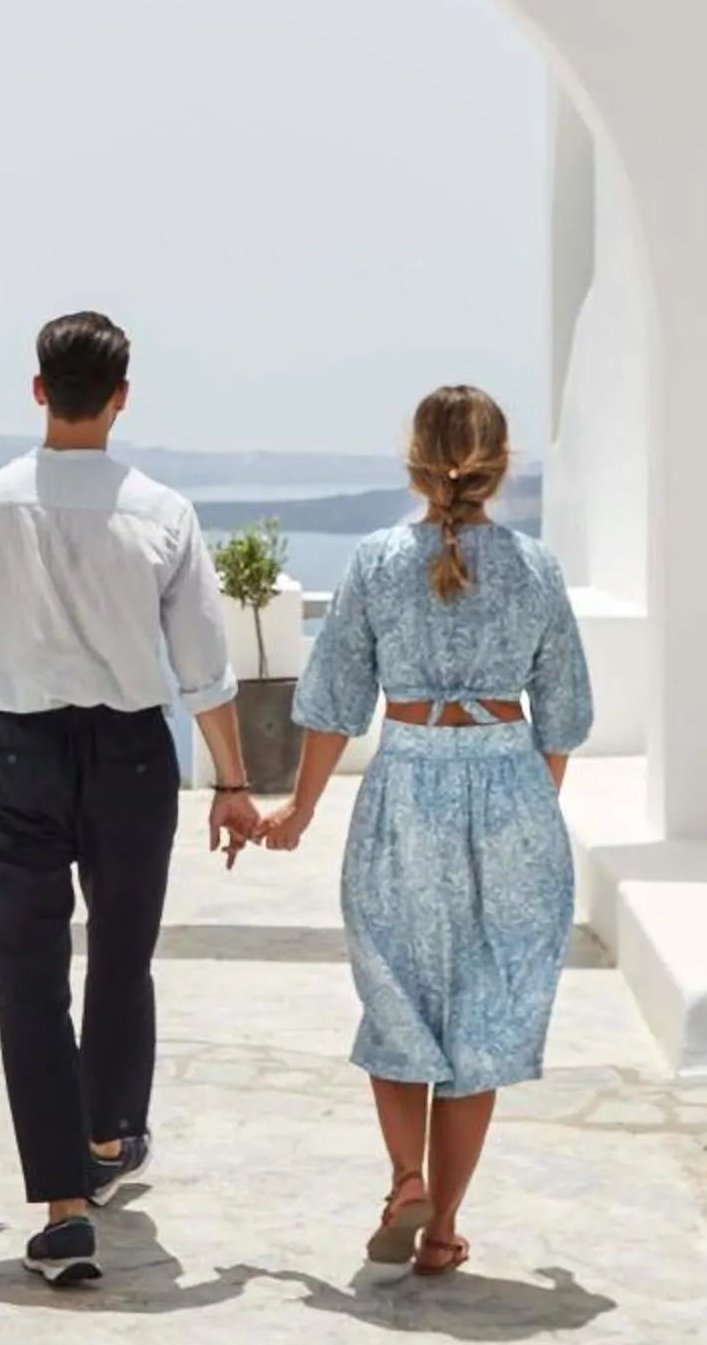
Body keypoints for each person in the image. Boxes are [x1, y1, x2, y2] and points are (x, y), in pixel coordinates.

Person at [0, 312, 260, 1287]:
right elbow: (205, 670)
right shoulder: (160, 511)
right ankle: (109, 1143)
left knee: (25, 975)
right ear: (119, 396)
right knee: (121, 952)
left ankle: (64, 1208)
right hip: (129, 757)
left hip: (15, 749)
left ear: (37, 391)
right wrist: (232, 785)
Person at [246, 384, 592, 1277]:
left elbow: (330, 706)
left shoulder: (373, 562)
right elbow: (563, 718)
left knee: (395, 990)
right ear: (500, 463)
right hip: (510, 784)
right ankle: (443, 1234)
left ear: (414, 460)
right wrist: (527, 814)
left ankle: (407, 1180)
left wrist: (301, 809)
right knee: (479, 1020)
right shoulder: (537, 568)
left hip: (405, 788)